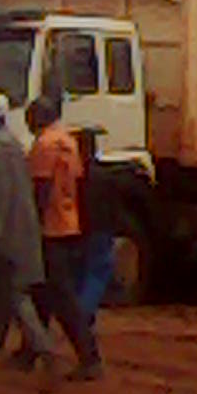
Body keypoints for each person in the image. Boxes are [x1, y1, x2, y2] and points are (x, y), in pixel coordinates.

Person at [0, 92, 58, 392]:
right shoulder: (15, 145)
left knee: (15, 297)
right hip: (24, 231)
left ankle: (47, 353)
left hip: (7, 236)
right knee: (4, 299)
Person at [22, 96, 101, 381]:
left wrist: (32, 225)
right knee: (42, 292)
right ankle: (31, 350)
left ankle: (89, 356)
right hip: (69, 222)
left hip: (50, 227)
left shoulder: (44, 145)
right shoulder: (68, 141)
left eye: (30, 116)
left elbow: (41, 190)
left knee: (60, 297)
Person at [74, 127, 117, 369]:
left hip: (82, 232)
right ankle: (85, 312)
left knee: (85, 275)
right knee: (98, 272)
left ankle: (83, 313)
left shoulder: (76, 176)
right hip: (102, 231)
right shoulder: (107, 175)